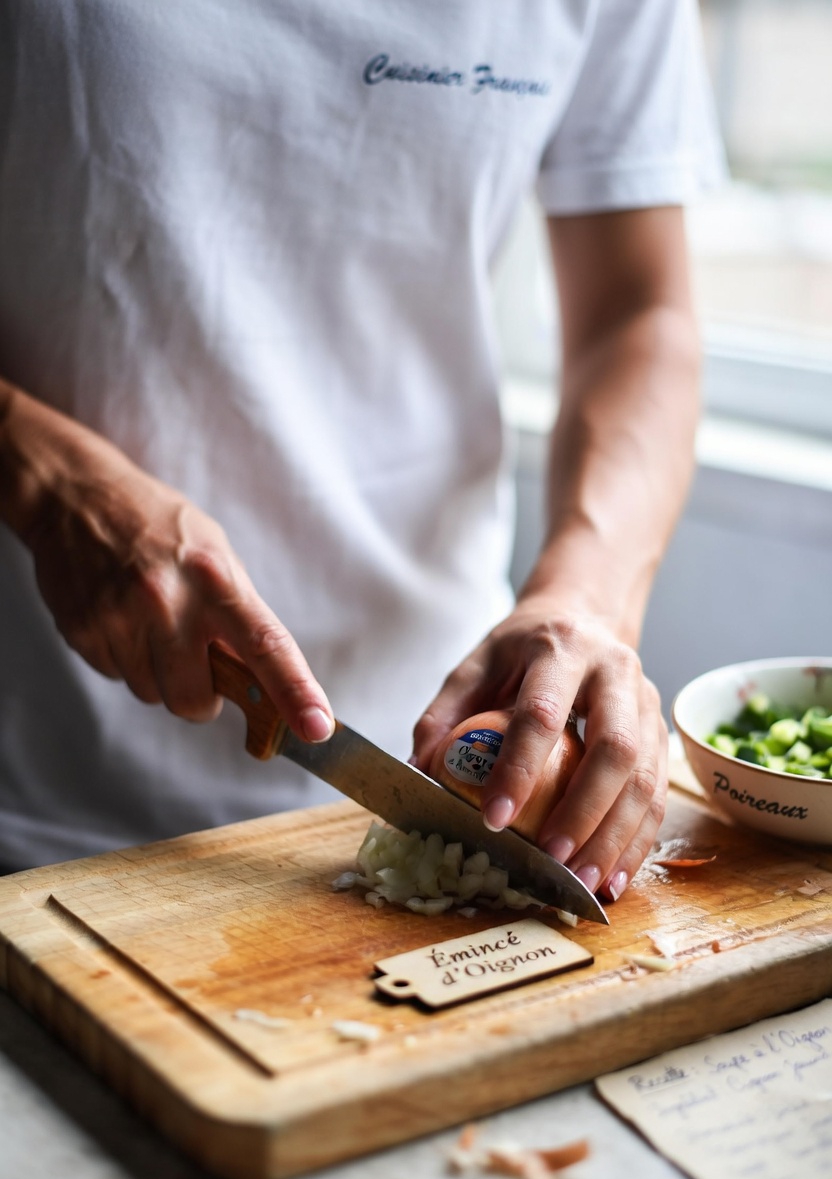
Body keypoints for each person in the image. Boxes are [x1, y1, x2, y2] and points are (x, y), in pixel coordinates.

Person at [0, 1, 724, 891]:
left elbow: (638, 315)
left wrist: (588, 599)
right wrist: (36, 470)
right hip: (38, 793)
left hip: (438, 786)